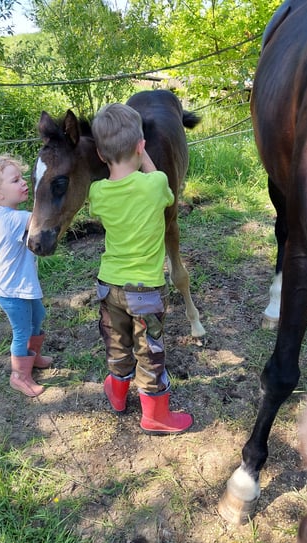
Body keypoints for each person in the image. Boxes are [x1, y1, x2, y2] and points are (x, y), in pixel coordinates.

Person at [89, 103, 193, 434]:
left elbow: (110, 189)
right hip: (145, 291)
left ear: (102, 156)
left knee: (117, 343)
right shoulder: (156, 184)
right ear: (140, 145)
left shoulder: (97, 193)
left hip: (108, 286)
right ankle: (155, 414)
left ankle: (117, 393)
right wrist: (145, 156)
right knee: (150, 351)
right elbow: (161, 189)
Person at [0, 154, 52, 397]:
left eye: (22, 177)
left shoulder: (5, 214)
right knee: (22, 331)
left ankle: (32, 358)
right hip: (12, 291)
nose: (24, 183)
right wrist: (45, 190)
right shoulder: (13, 219)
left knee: (39, 316)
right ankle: (19, 376)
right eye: (16, 180)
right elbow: (42, 219)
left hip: (21, 286)